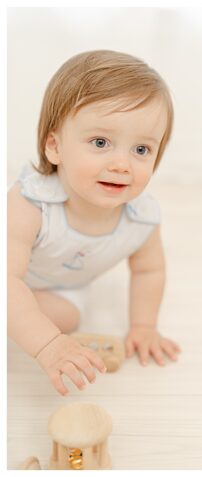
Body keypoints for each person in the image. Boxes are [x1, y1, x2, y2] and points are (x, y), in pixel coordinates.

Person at [9, 50, 181, 396]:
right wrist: (47, 346)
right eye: (100, 142)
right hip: (8, 269)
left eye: (142, 150)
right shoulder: (32, 203)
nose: (122, 164)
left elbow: (149, 271)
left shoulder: (141, 218)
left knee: (65, 320)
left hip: (59, 286)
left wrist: (144, 326)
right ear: (55, 147)